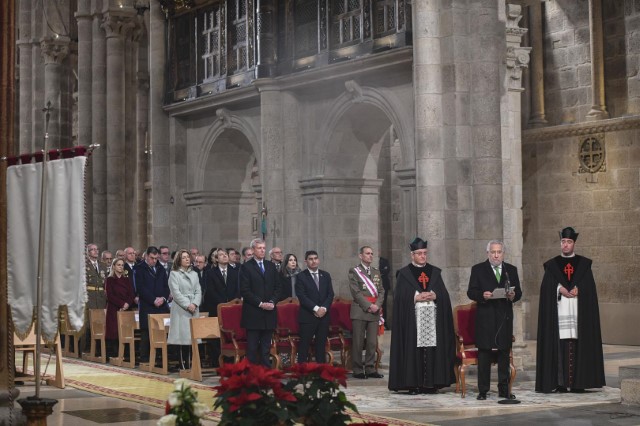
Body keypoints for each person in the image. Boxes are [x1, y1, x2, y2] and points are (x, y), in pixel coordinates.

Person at [535, 227, 605, 393]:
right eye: (563, 242)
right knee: (560, 347)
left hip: (577, 313)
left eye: (569, 242)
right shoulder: (552, 265)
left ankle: (578, 383)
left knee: (577, 344)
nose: (565, 245)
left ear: (574, 243)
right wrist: (559, 288)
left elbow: (590, 288)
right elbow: (546, 289)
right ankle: (560, 383)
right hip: (559, 314)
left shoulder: (584, 264)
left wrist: (580, 289)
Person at [388, 238, 456, 394]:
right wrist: (414, 297)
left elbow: (444, 295)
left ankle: (431, 384)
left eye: (425, 253)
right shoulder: (404, 273)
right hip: (413, 320)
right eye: (419, 254)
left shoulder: (435, 272)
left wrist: (435, 295)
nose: (423, 256)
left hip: (433, 317)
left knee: (432, 349)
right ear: (412, 255)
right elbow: (399, 298)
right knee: (414, 350)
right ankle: (413, 384)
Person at [467, 240, 522, 400]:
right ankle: (483, 390)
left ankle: (504, 390)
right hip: (486, 317)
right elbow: (471, 291)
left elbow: (518, 291)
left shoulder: (510, 270)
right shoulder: (478, 269)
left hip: (504, 318)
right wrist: (482, 295)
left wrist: (513, 295)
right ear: (488, 253)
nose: (496, 255)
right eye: (493, 252)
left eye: (499, 252)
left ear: (503, 253)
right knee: (484, 354)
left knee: (504, 354)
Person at [239, 238, 281, 367]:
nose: (262, 250)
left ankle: (266, 374)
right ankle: (252, 375)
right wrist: (261, 303)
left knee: (265, 347)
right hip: (254, 313)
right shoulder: (246, 267)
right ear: (252, 250)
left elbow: (278, 287)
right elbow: (245, 291)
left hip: (269, 313)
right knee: (252, 348)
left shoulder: (270, 266)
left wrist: (272, 302)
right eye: (259, 248)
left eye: (264, 248)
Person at [348, 246, 384, 379]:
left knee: (371, 342)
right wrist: (369, 305)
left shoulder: (376, 272)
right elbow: (355, 292)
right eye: (367, 253)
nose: (370, 256)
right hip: (360, 310)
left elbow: (381, 291)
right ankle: (357, 369)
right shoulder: (354, 271)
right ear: (360, 256)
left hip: (374, 311)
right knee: (358, 341)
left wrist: (377, 305)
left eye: (372, 254)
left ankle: (370, 368)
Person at [295, 250, 334, 364]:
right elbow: (302, 296)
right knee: (304, 345)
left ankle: (321, 371)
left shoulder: (325, 275)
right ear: (306, 261)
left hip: (323, 316)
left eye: (315, 258)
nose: (313, 261)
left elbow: (330, 294)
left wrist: (324, 309)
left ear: (319, 260)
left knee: (321, 345)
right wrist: (316, 309)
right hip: (308, 316)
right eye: (311, 259)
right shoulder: (301, 276)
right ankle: (301, 372)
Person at [167, 249, 202, 370]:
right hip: (182, 310)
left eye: (188, 257)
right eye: (184, 257)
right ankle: (184, 366)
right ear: (179, 260)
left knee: (193, 338)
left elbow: (198, 291)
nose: (187, 259)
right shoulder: (174, 274)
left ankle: (193, 365)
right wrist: (188, 305)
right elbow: (176, 294)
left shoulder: (194, 274)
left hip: (194, 309)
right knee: (182, 338)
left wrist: (195, 303)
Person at [135, 246, 171, 363]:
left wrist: (164, 298)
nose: (154, 261)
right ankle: (145, 358)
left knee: (161, 331)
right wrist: (153, 300)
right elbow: (140, 288)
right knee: (146, 332)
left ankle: (161, 358)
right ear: (146, 256)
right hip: (147, 305)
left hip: (161, 306)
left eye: (156, 258)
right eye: (152, 258)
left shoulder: (160, 268)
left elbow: (166, 287)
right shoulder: (139, 269)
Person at [105, 258, 136, 359]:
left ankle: (126, 354)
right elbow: (110, 295)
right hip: (114, 308)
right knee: (114, 331)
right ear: (113, 266)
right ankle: (114, 353)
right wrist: (122, 304)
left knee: (126, 330)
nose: (121, 267)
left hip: (126, 309)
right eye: (118, 265)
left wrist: (127, 304)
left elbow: (131, 293)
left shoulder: (126, 280)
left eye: (122, 265)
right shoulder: (109, 280)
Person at [379, 256, 391, 329]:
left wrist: (379, 272)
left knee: (384, 305)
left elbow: (387, 270)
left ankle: (384, 322)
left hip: (384, 285)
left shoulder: (384, 260)